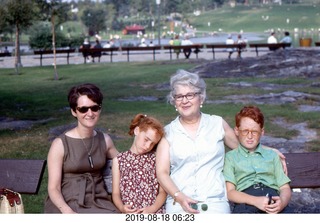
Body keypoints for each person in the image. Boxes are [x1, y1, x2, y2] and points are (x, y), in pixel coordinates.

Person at [155, 70, 287, 214]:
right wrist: (179, 197)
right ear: (174, 101)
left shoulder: (217, 123)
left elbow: (241, 144)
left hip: (215, 202)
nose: (184, 100)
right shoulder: (167, 133)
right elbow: (162, 172)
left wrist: (269, 150)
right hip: (179, 204)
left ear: (201, 98)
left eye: (190, 95)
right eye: (179, 96)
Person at [44, 83, 120, 214]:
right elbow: (53, 188)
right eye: (83, 109)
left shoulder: (105, 140)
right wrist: (67, 211)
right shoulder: (60, 144)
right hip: (67, 203)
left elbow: (126, 163)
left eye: (94, 108)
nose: (90, 113)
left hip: (98, 202)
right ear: (74, 111)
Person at [223, 105, 292, 214]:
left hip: (273, 199)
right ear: (236, 131)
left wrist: (282, 202)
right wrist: (255, 201)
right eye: (245, 131)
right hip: (246, 202)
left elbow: (284, 188)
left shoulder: (272, 155)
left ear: (262, 132)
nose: (250, 136)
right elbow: (230, 192)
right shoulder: (231, 157)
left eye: (254, 132)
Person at [112, 114, 167, 214]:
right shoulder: (119, 160)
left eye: (153, 144)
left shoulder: (155, 159)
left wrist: (152, 209)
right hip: (131, 213)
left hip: (153, 212)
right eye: (146, 140)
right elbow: (115, 193)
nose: (148, 146)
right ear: (137, 131)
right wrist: (121, 208)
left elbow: (163, 192)